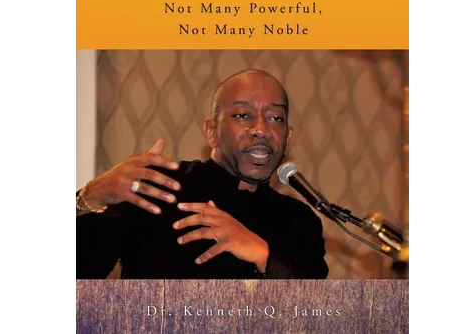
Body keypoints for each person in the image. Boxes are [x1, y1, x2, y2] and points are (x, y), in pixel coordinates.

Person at [74, 69, 329, 279]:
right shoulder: (158, 187)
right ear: (211, 132)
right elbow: (77, 275)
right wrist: (90, 197)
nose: (261, 129)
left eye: (276, 118)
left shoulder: (301, 221)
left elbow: (315, 314)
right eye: (243, 115)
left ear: (288, 137)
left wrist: (262, 255)